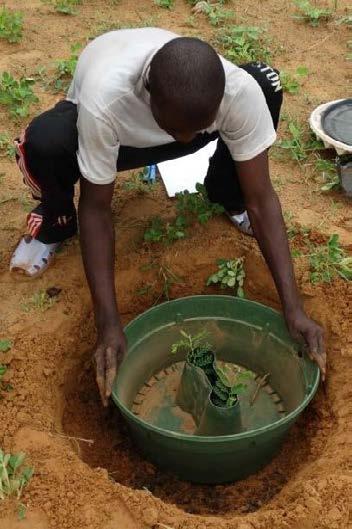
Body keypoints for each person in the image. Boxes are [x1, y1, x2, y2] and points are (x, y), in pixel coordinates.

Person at [10, 28, 326, 405]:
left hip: (174, 114)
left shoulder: (234, 93)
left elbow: (263, 199)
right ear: (149, 94)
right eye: (177, 130)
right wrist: (108, 324)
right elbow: (97, 209)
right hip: (121, 135)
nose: (184, 142)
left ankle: (227, 196)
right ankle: (55, 223)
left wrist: (294, 309)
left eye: (196, 128)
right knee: (46, 141)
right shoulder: (106, 102)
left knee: (264, 81)